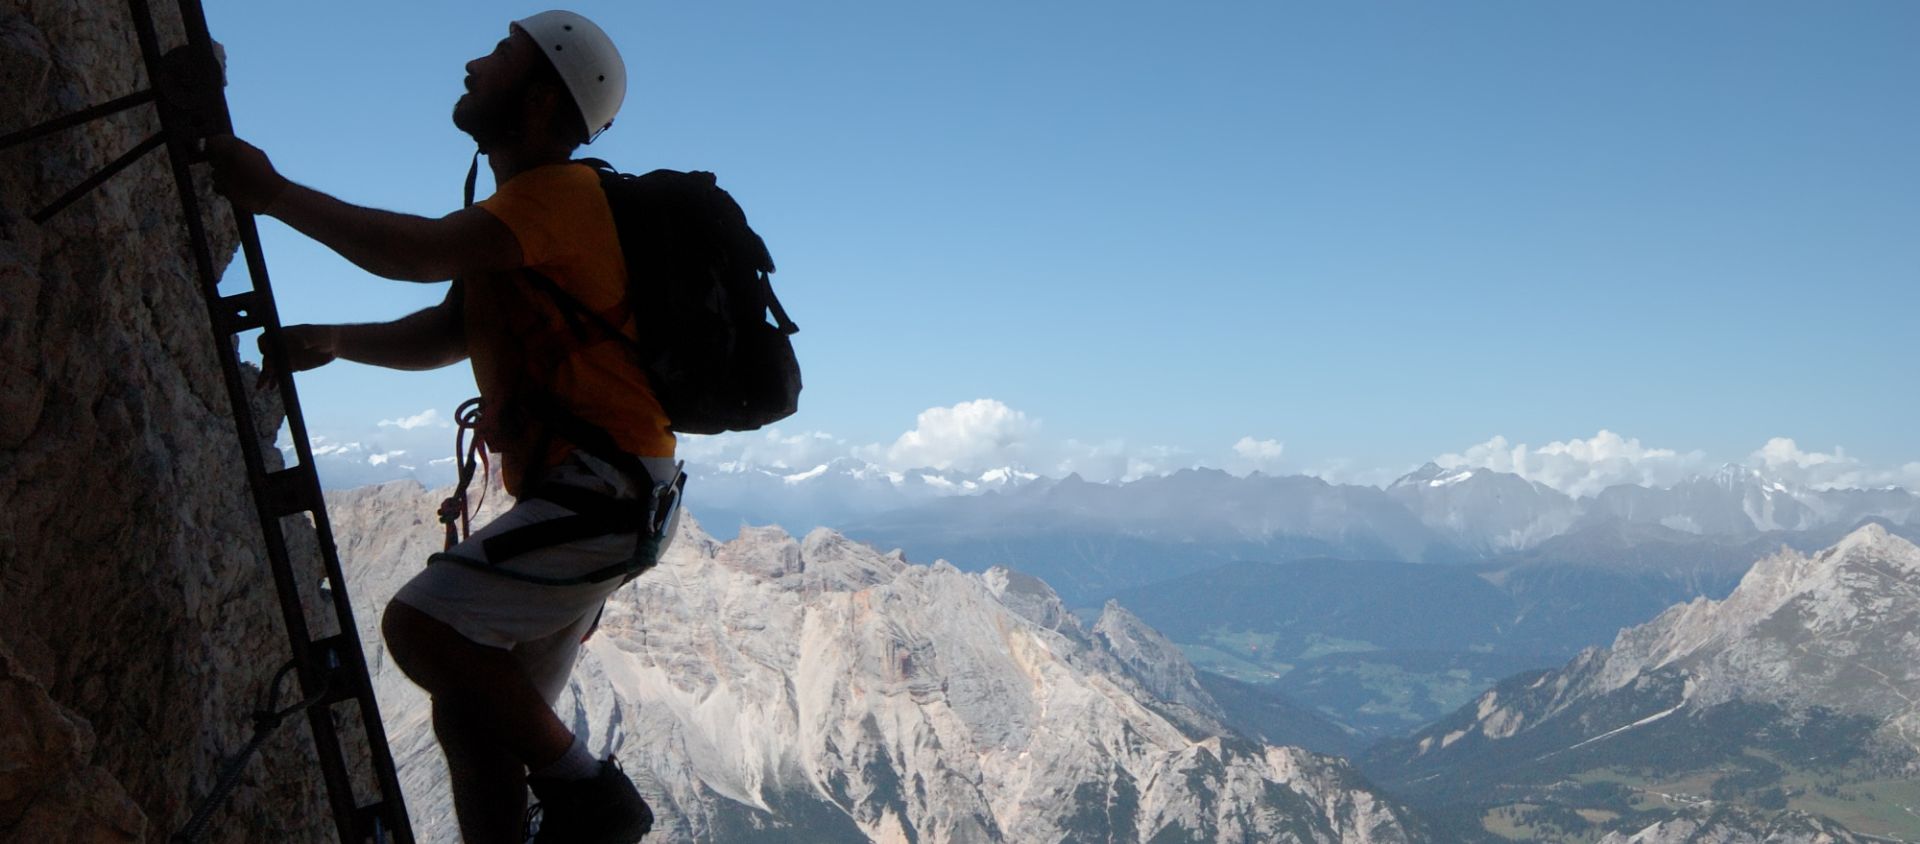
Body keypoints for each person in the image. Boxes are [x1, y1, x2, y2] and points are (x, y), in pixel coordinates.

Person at [208, 11, 665, 844]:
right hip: (608, 496)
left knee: (419, 626)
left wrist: (273, 196)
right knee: (472, 713)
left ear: (537, 101)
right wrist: (342, 342)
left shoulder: (559, 199)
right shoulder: (530, 213)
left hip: (602, 493)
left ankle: (591, 794)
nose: (470, 63)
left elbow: (415, 251)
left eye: (498, 57)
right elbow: (455, 328)